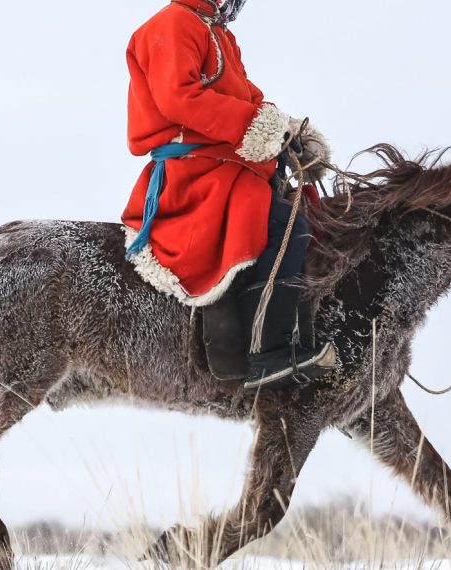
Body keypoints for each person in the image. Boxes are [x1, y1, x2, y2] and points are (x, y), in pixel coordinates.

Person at [121, 0, 337, 389]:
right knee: (285, 226)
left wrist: (289, 133)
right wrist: (255, 129)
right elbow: (178, 98)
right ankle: (268, 353)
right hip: (195, 174)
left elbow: (251, 101)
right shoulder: (172, 23)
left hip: (229, 167)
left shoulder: (217, 31)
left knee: (305, 214)